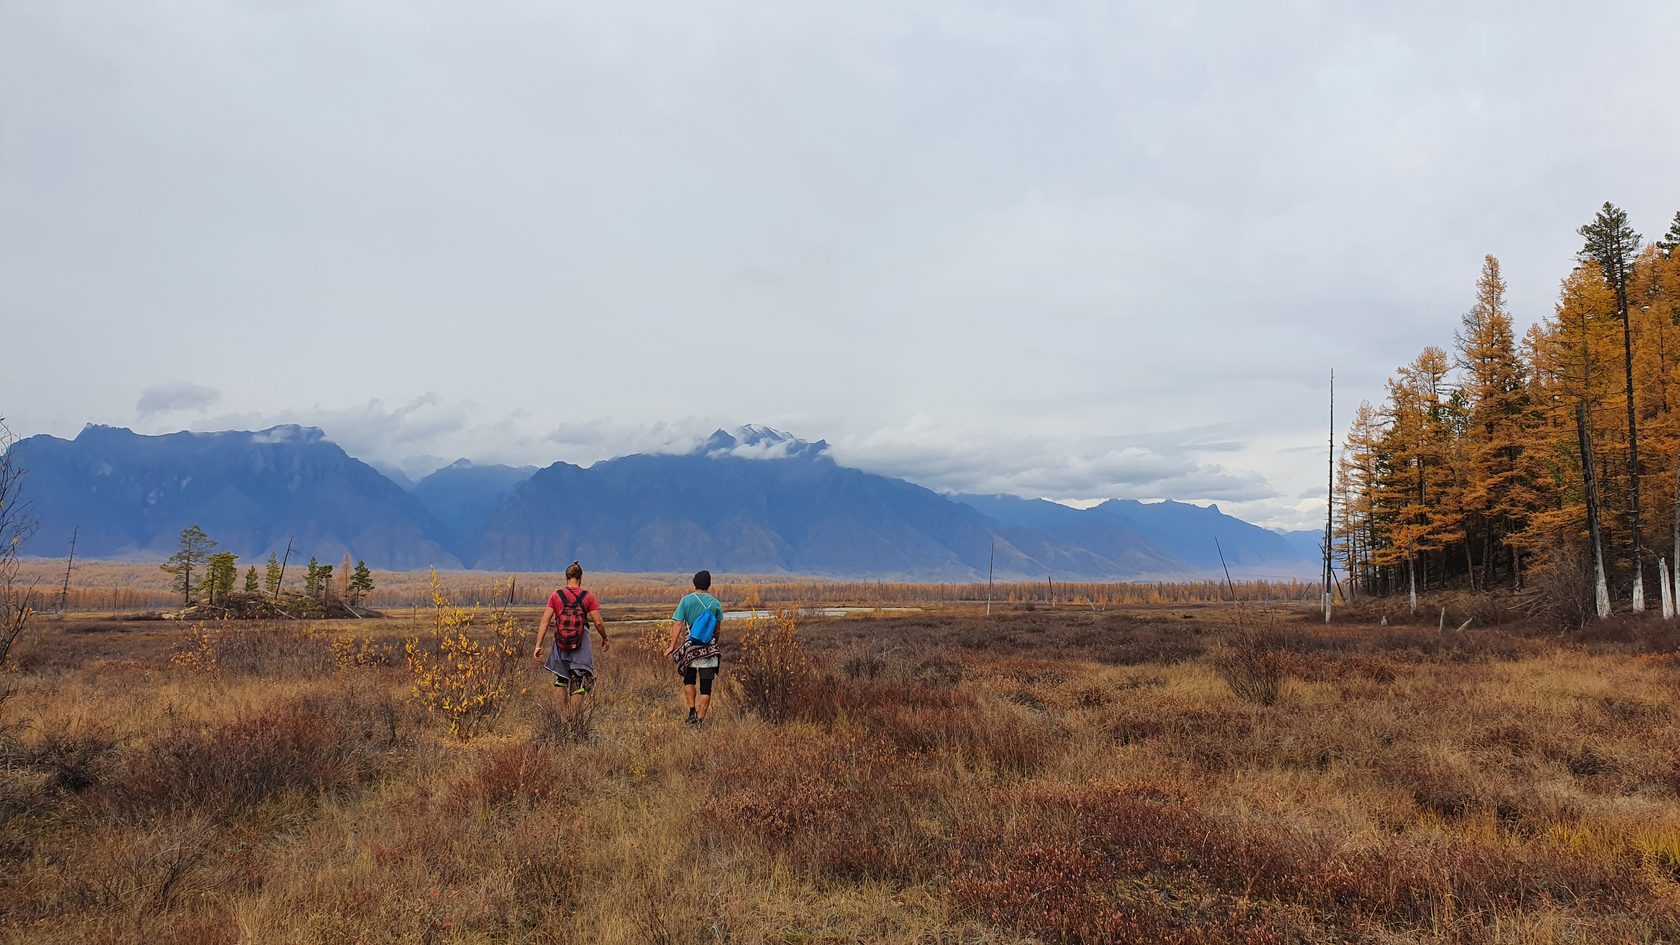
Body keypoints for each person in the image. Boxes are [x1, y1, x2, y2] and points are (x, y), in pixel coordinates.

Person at [532, 561, 609, 715]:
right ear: (581, 577)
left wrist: (538, 645)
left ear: (566, 577)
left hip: (560, 643)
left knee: (561, 678)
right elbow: (598, 622)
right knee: (577, 679)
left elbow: (545, 621)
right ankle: (574, 721)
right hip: (581, 643)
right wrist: (605, 638)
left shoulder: (556, 596)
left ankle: (563, 717)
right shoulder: (588, 597)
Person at [663, 569, 723, 725]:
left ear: (694, 583)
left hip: (690, 648)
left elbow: (677, 624)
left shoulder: (686, 601)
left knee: (689, 680)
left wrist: (672, 646)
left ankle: (691, 712)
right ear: (709, 585)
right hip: (709, 649)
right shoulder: (715, 604)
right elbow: (717, 630)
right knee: (706, 687)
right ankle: (700, 720)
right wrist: (713, 643)